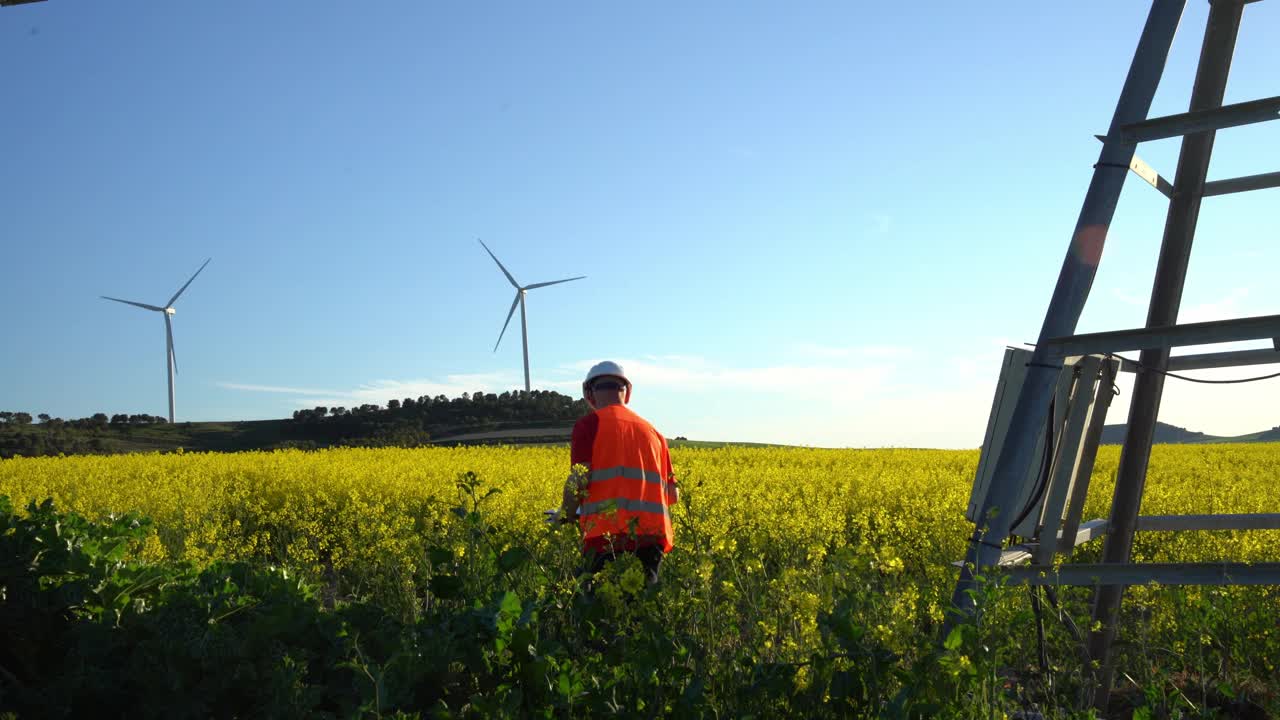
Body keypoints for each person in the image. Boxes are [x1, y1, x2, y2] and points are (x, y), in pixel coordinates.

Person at [547, 361, 678, 584]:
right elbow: (672, 494)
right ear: (626, 392)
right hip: (652, 538)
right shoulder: (654, 433)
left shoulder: (589, 425)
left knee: (599, 608)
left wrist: (566, 514)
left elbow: (580, 477)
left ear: (589, 393)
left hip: (606, 537)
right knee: (641, 608)